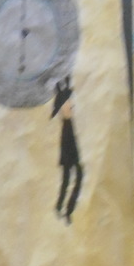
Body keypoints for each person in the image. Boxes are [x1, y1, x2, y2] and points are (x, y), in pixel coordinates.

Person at [51, 76, 82, 224]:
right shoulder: (66, 125)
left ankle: (64, 208)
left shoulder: (69, 123)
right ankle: (63, 208)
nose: (70, 106)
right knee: (68, 179)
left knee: (70, 178)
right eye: (67, 104)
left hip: (71, 152)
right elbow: (68, 141)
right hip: (69, 152)